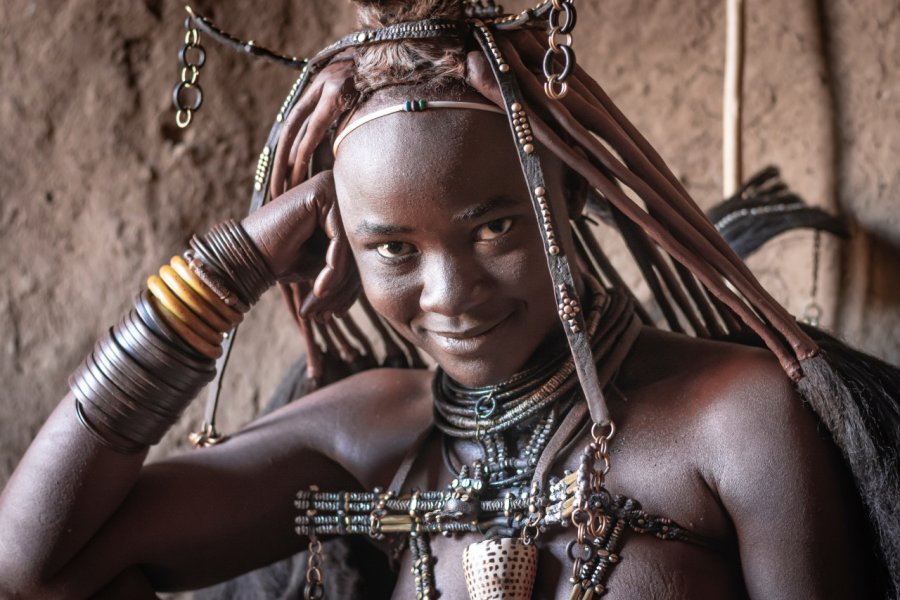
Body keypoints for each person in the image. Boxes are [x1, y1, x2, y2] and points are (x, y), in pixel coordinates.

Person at [0, 1, 897, 598]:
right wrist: (231, 266)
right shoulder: (362, 436)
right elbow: (32, 568)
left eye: (496, 228)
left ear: (570, 191)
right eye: (392, 247)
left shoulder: (738, 420)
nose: (452, 293)